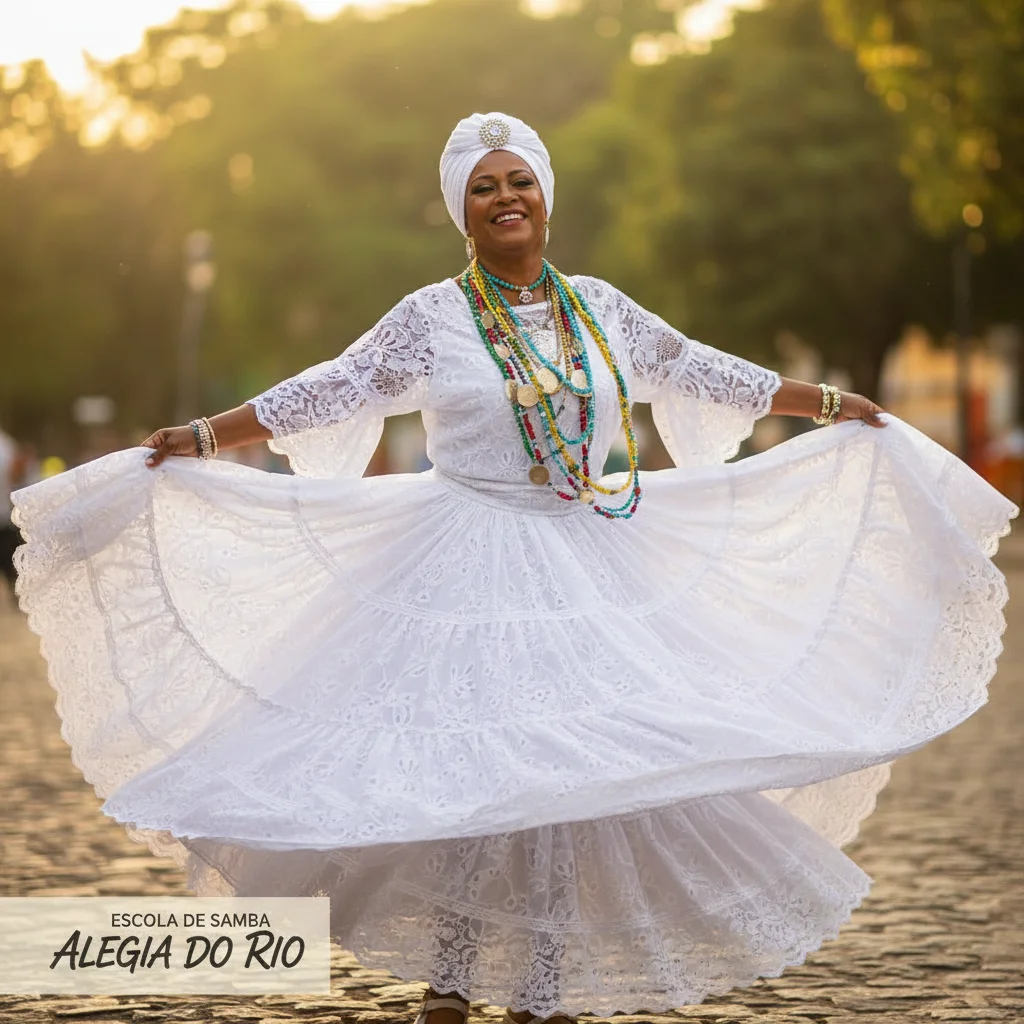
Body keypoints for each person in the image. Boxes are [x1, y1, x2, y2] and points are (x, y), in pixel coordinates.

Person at [10, 112, 1017, 1024]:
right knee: (471, 775)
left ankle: (546, 987)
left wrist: (833, 407)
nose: (505, 199)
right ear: (462, 211)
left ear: (543, 197)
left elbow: (704, 369)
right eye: (484, 187)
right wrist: (202, 433)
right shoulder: (430, 318)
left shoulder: (599, 310)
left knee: (573, 783)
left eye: (519, 181)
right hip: (463, 564)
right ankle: (449, 982)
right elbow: (335, 386)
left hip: (591, 562)